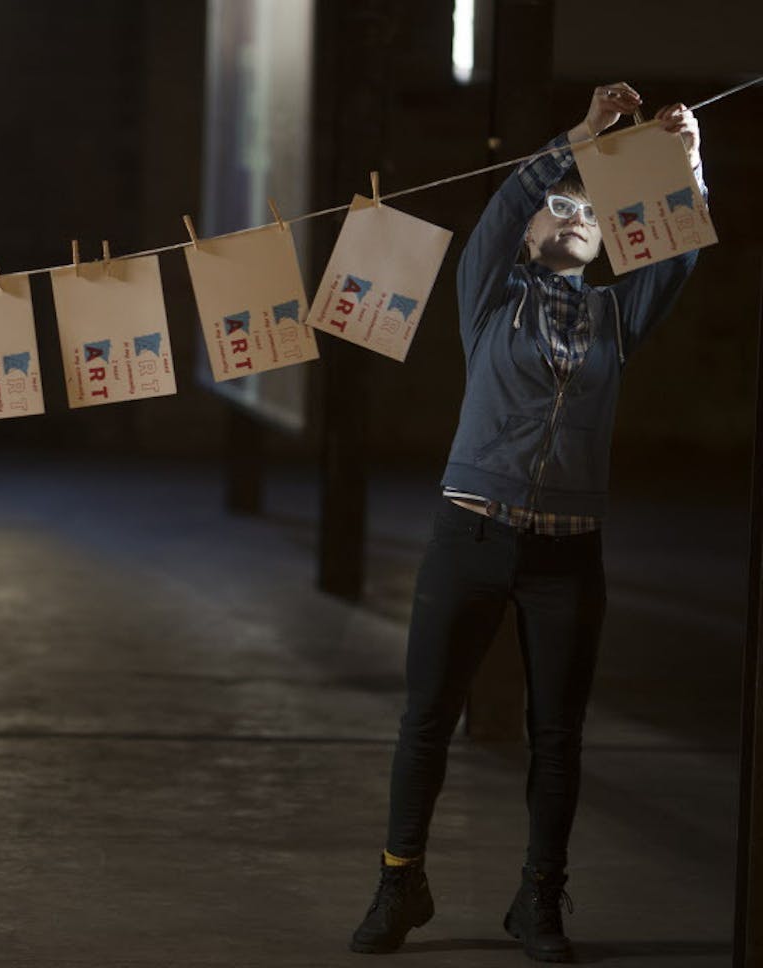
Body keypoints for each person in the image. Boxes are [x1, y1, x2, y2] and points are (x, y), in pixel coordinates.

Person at [349, 83, 704, 962]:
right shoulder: (490, 296)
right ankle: (400, 881)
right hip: (468, 537)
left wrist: (683, 162)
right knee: (426, 717)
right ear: (533, 235)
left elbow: (678, 251)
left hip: (566, 558)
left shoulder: (614, 318)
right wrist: (582, 138)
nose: (575, 214)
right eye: (560, 205)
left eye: (590, 210)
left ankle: (538, 900)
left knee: (559, 733)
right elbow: (507, 202)